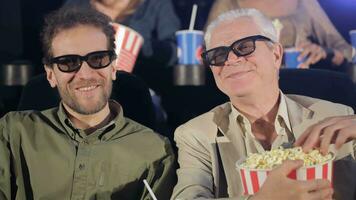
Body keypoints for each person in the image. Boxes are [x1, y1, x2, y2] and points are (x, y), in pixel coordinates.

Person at [172, 8, 356, 200]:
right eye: (218, 55)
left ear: (276, 54)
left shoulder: (337, 115)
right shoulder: (196, 135)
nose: (231, 59)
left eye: (244, 47)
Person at [0, 7, 175, 200]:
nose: (86, 75)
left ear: (114, 67)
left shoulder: (155, 151)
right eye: (68, 62)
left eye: (98, 59)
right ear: (50, 74)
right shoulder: (13, 132)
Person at [206, 0, 352, 70]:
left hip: (300, 82)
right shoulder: (229, 3)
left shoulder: (304, 3)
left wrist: (324, 52)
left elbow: (348, 51)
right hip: (247, 82)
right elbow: (206, 54)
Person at [64, 0, 181, 68]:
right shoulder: (76, 5)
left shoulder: (154, 4)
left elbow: (175, 52)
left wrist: (142, 45)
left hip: (140, 87)